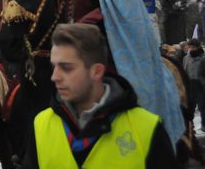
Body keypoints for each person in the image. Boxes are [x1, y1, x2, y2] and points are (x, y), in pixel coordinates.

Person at [56, 0, 184, 145]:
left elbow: (122, 10)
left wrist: (86, 24)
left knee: (127, 80)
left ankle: (138, 128)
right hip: (66, 42)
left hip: (106, 40)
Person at [22, 22, 178, 168]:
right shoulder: (41, 124)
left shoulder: (146, 128)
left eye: (66, 68)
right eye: (54, 66)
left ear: (96, 71)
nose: (54, 76)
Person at [184, 38, 205, 131]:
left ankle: (204, 125)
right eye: (190, 47)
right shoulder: (186, 58)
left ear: (198, 47)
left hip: (200, 85)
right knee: (189, 107)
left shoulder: (203, 58)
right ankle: (190, 126)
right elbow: (185, 70)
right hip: (189, 84)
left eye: (193, 47)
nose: (191, 49)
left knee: (203, 107)